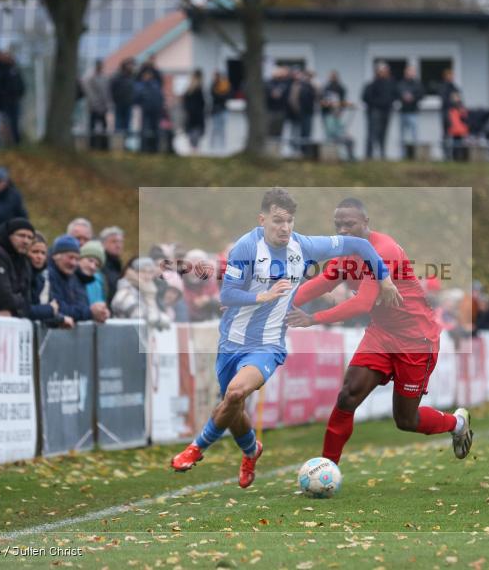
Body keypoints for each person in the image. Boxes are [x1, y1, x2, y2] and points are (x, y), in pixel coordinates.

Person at [170, 187, 403, 488]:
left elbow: (359, 244)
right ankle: (251, 450)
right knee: (233, 405)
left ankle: (195, 449)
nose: (285, 228)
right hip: (231, 343)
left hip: (268, 345)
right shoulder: (245, 248)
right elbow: (227, 294)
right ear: (262, 219)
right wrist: (264, 295)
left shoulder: (303, 246)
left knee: (235, 395)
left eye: (289, 221)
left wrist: (383, 277)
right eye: (278, 220)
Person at [288, 198, 472, 466]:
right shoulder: (347, 255)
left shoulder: (383, 250)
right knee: (348, 394)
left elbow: (362, 303)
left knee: (406, 420)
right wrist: (274, 304)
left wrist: (313, 319)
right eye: (337, 225)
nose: (342, 231)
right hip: (382, 334)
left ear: (366, 223)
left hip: (416, 340)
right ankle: (326, 467)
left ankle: (457, 423)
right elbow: (318, 285)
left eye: (349, 224)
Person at [0, 218, 66, 324]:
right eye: (21, 235)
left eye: (30, 237)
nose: (26, 241)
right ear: (9, 235)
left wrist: (16, 307)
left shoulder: (21, 261)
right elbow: (2, 299)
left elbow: (26, 301)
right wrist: (20, 305)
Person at [47, 235, 109, 323]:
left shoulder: (73, 278)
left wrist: (100, 312)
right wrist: (90, 312)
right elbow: (58, 308)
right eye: (70, 257)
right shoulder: (49, 276)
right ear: (56, 256)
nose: (73, 263)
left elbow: (79, 306)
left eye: (76, 258)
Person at [111, 257, 171, 329]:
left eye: (150, 272)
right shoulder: (124, 293)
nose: (147, 276)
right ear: (134, 273)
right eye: (143, 271)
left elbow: (162, 317)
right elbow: (140, 317)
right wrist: (150, 298)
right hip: (125, 336)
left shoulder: (145, 292)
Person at [362, 62, 397, 159]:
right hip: (375, 112)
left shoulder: (391, 84)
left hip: (387, 112)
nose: (383, 73)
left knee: (383, 133)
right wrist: (378, 103)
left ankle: (382, 154)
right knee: (372, 134)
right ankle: (369, 156)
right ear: (377, 72)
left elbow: (395, 95)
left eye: (385, 71)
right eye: (381, 71)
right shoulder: (371, 84)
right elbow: (365, 97)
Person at [83, 59, 111, 151]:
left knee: (104, 126)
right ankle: (92, 145)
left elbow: (107, 93)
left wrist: (107, 104)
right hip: (94, 107)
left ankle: (104, 146)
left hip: (103, 107)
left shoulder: (104, 78)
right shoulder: (90, 78)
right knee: (92, 126)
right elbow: (90, 93)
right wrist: (95, 104)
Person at [397, 65, 423, 158]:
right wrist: (403, 97)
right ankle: (402, 155)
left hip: (413, 112)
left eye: (412, 72)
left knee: (414, 134)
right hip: (403, 111)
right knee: (402, 135)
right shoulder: (401, 83)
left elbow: (421, 95)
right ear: (405, 73)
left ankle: (415, 155)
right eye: (408, 72)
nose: (410, 73)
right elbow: (397, 93)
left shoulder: (417, 84)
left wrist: (413, 97)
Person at [135, 67, 164, 154]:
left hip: (155, 110)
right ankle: (144, 148)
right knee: (144, 130)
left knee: (155, 130)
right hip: (146, 110)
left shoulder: (155, 84)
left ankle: (154, 148)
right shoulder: (140, 85)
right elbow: (137, 98)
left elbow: (160, 97)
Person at [110, 58, 137, 136]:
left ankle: (125, 143)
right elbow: (112, 89)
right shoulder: (117, 76)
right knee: (118, 124)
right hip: (119, 103)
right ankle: (118, 142)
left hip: (129, 103)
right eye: (130, 65)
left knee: (127, 125)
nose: (131, 67)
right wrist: (115, 99)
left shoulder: (132, 76)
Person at [78, 240, 109, 306]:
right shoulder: (68, 278)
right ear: (80, 258)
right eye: (90, 260)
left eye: (97, 265)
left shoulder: (100, 282)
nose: (92, 267)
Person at [99, 226, 124, 304]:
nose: (118, 245)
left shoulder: (119, 265)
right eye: (114, 241)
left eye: (120, 242)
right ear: (103, 244)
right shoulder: (99, 265)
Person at [183, 69, 206, 153]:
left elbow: (185, 101)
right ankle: (194, 149)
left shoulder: (189, 89)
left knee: (192, 134)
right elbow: (202, 103)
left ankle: (193, 149)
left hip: (190, 115)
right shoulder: (198, 89)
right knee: (195, 134)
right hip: (196, 115)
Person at [209, 71, 231, 153]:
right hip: (215, 110)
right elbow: (215, 95)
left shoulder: (225, 85)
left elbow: (227, 95)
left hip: (223, 110)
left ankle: (222, 146)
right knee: (215, 129)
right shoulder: (213, 86)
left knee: (222, 129)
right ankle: (212, 146)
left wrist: (221, 94)